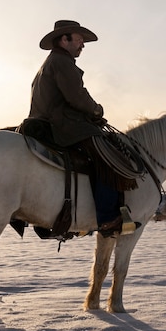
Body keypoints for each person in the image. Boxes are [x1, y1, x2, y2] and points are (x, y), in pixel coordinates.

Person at [28, 20, 135, 236]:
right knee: (106, 155)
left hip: (47, 121)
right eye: (79, 40)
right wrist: (96, 111)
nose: (82, 45)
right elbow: (76, 96)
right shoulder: (62, 62)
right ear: (64, 39)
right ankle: (107, 218)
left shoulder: (52, 62)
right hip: (61, 124)